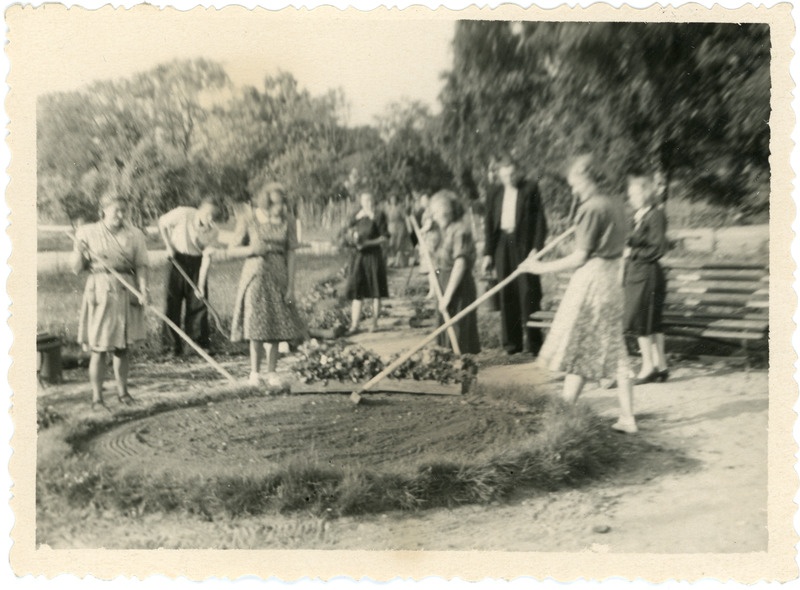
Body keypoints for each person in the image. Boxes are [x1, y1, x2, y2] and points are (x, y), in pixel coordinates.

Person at [518, 154, 637, 434]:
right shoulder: (617, 203)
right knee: (594, 344)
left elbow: (579, 257)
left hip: (593, 280)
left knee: (582, 340)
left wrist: (538, 267)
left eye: (576, 184)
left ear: (590, 178)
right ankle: (573, 406)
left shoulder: (591, 208)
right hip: (611, 279)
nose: (573, 190)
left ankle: (619, 416)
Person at [206, 179, 305, 387]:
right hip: (255, 276)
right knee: (256, 323)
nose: (280, 208)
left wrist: (291, 286)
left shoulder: (288, 220)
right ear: (265, 203)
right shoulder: (249, 219)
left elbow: (292, 254)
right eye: (276, 204)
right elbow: (232, 249)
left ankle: (272, 372)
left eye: (283, 203)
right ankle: (254, 373)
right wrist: (251, 250)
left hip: (279, 276)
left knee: (278, 324)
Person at [71, 192, 149, 411]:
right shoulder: (87, 232)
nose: (121, 215)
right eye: (117, 210)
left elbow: (141, 264)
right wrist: (80, 251)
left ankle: (123, 393)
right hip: (100, 290)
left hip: (126, 289)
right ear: (103, 210)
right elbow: (76, 269)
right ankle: (97, 399)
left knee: (122, 348)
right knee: (99, 347)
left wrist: (143, 290)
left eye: (125, 210)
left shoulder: (135, 234)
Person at [482, 152, 547, 355]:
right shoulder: (494, 191)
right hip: (503, 242)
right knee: (506, 292)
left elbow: (540, 223)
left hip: (524, 245)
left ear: (517, 172)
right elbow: (489, 223)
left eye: (512, 174)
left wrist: (536, 249)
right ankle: (512, 344)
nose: (509, 179)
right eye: (505, 176)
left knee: (528, 292)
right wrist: (488, 253)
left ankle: (535, 344)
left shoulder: (530, 188)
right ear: (499, 175)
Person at [158, 196, 221, 356]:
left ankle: (197, 345)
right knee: (172, 302)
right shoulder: (183, 213)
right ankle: (171, 346)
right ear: (200, 210)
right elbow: (162, 223)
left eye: (213, 216)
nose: (210, 219)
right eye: (207, 214)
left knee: (198, 303)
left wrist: (200, 285)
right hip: (176, 260)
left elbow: (207, 257)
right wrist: (169, 246)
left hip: (197, 263)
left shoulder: (214, 230)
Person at [624, 173, 669, 383]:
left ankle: (648, 367)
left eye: (634, 193)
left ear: (646, 193)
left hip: (648, 273)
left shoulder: (655, 215)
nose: (630, 197)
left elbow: (658, 248)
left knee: (643, 321)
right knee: (651, 322)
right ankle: (661, 366)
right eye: (630, 193)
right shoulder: (638, 215)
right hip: (637, 273)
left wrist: (631, 253)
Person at [428, 190, 481, 354]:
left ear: (448, 212)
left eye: (437, 212)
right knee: (444, 325)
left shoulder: (460, 231)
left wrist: (448, 296)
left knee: (458, 327)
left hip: (459, 284)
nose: (434, 216)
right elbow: (433, 258)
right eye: (433, 212)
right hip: (443, 280)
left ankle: (462, 367)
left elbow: (460, 264)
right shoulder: (442, 231)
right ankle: (450, 367)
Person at [344, 191, 390, 334]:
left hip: (373, 256)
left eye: (370, 199)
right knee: (356, 288)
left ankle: (374, 323)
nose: (367, 203)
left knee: (376, 289)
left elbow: (385, 237)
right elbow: (347, 230)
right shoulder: (357, 216)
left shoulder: (378, 216)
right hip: (358, 257)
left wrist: (368, 243)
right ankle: (354, 324)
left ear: (373, 201)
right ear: (361, 202)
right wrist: (353, 238)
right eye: (364, 200)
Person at [385, 193, 410, 267]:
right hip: (391, 228)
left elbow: (405, 217)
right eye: (392, 199)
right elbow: (386, 219)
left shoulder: (400, 207)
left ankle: (398, 262)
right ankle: (394, 260)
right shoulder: (388, 208)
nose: (393, 200)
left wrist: (408, 227)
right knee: (391, 244)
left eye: (395, 199)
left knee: (399, 244)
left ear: (397, 199)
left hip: (399, 227)